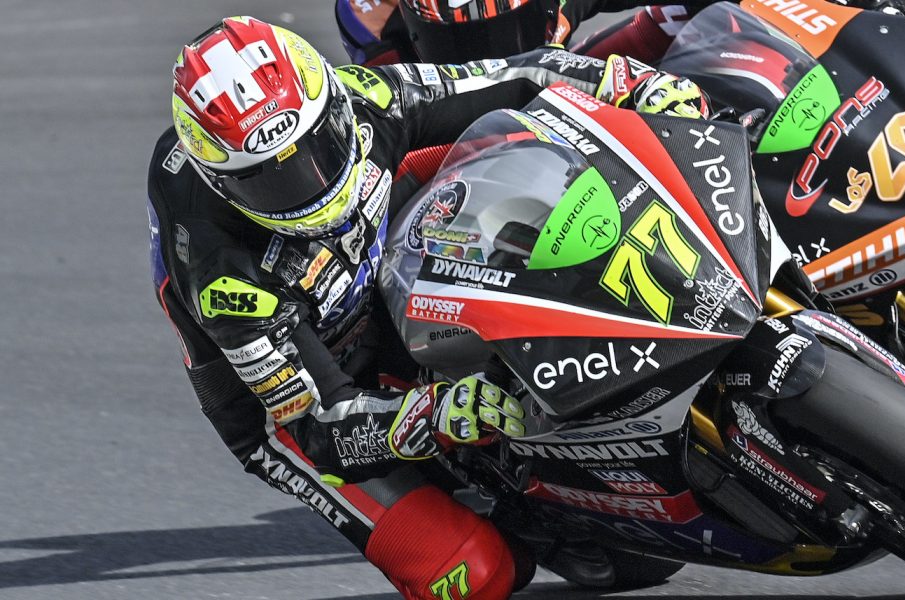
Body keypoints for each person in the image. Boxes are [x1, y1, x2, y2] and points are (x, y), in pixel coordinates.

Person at [146, 16, 707, 600]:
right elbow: (319, 424)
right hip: (301, 404)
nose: (309, 184)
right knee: (478, 574)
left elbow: (515, 76)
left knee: (512, 147)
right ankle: (503, 507)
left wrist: (631, 84)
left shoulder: (363, 98)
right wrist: (431, 415)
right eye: (269, 180)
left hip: (378, 272)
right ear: (221, 182)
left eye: (319, 145)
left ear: (331, 102)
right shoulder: (224, 277)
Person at [336, 0, 698, 67]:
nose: (488, 62)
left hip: (555, 79)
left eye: (503, 31)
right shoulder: (371, 25)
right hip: (450, 121)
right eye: (458, 41)